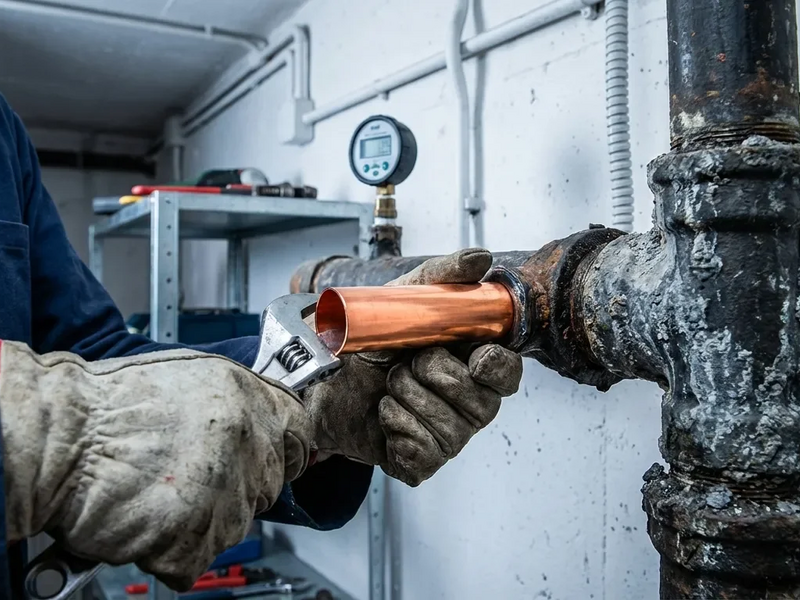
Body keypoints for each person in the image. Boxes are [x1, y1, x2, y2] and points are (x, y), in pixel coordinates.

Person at [0, 93, 523, 595]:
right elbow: (85, 411)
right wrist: (50, 433)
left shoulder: (5, 132)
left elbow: (93, 348)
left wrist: (311, 392)